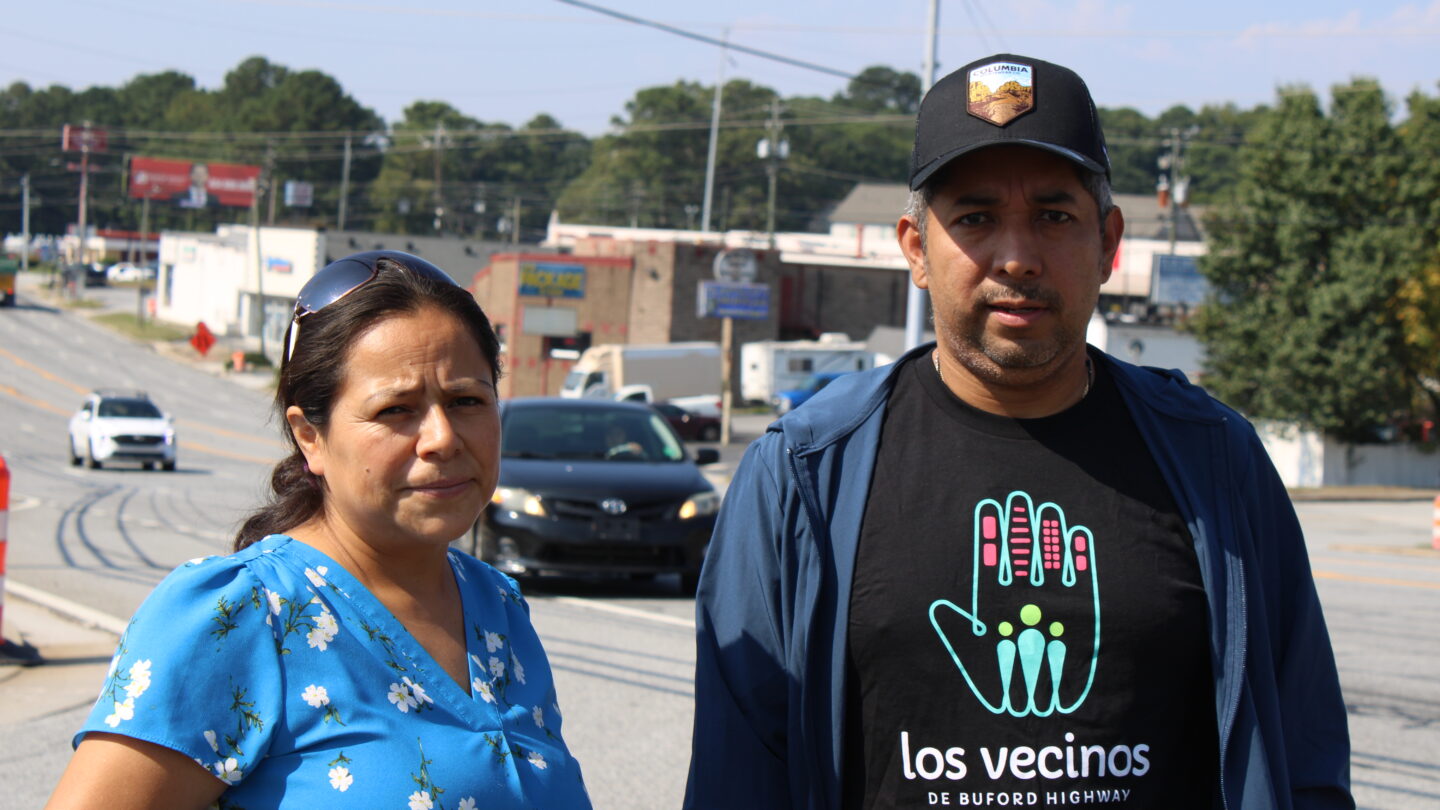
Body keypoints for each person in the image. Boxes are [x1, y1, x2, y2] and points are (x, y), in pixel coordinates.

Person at [685, 54, 1353, 809]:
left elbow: (1304, 758)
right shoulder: (803, 474)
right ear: (915, 248)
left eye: (1053, 216)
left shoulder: (1216, 461)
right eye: (974, 218)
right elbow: (738, 775)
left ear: (1108, 245)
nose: (1016, 257)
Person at [48, 252, 592, 809]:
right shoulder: (241, 614)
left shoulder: (498, 606)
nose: (442, 438)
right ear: (310, 437)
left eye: (466, 400)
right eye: (396, 410)